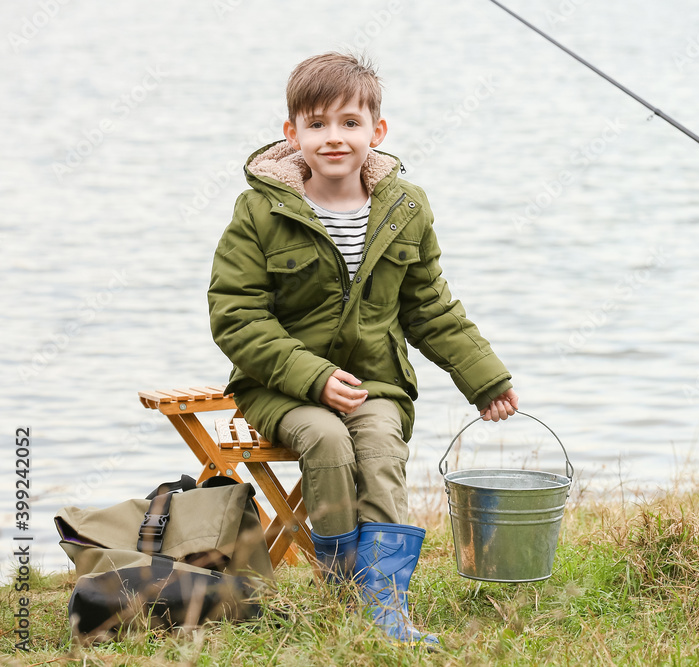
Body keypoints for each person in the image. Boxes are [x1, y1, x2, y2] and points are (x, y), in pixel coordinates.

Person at [207, 52, 518, 646]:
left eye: (350, 123)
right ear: (290, 133)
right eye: (317, 123)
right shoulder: (258, 212)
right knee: (326, 439)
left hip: (376, 383)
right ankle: (341, 589)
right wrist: (314, 377)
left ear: (376, 132)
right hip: (278, 387)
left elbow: (429, 307)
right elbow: (236, 316)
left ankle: (385, 605)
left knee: (377, 443)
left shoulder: (405, 209)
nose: (333, 137)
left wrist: (485, 378)